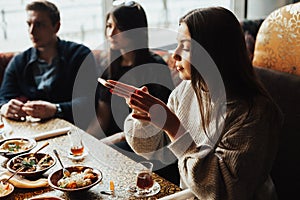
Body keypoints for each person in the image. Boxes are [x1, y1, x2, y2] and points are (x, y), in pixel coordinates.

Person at [110, 7, 283, 199]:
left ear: (213, 53)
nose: (174, 54)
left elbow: (222, 190)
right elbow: (156, 150)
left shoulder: (254, 114)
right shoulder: (186, 90)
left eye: (185, 47)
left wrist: (174, 126)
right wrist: (145, 119)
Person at [0, 1, 97, 129]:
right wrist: (6, 107)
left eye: (39, 25)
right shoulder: (19, 61)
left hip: (72, 129)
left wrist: (56, 109)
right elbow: (3, 98)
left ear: (56, 27)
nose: (31, 31)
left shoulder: (79, 55)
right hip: (31, 130)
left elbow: (90, 100)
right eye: (29, 24)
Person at [88, 1, 174, 142]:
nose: (111, 33)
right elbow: (102, 118)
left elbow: (159, 121)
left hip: (144, 141)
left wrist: (112, 141)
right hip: (112, 139)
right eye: (109, 26)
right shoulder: (109, 67)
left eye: (119, 27)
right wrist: (87, 141)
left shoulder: (155, 66)